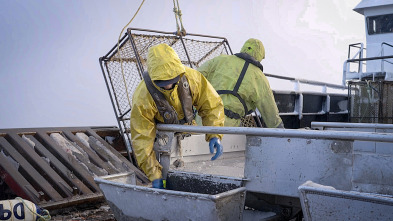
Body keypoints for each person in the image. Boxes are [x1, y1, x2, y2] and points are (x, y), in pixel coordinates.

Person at [130, 43, 225, 189]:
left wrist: (215, 134)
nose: (168, 86)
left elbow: (211, 105)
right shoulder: (142, 96)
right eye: (162, 83)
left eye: (172, 81)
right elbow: (142, 138)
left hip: (190, 138)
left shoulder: (192, 78)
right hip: (164, 143)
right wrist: (155, 176)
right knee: (167, 183)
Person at [197, 38, 284, 128]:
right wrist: (282, 132)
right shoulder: (260, 78)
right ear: (260, 56)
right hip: (227, 127)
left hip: (202, 119)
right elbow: (271, 114)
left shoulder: (220, 60)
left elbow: (194, 79)